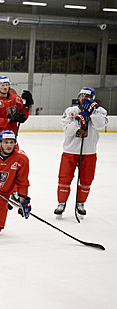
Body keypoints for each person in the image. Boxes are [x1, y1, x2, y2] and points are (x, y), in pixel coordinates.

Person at [55, 87, 109, 219]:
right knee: (64, 178)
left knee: (86, 180)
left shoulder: (100, 111)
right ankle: (61, 203)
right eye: (82, 95)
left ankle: (81, 204)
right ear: (78, 97)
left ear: (93, 99)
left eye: (88, 96)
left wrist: (92, 113)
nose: (85, 98)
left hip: (89, 152)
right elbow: (68, 131)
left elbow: (101, 125)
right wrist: (78, 121)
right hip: (70, 151)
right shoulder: (71, 111)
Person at [0, 76, 33, 146]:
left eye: (7, 85)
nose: (5, 87)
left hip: (11, 140)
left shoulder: (16, 98)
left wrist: (27, 105)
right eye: (2, 85)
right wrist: (9, 120)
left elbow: (23, 117)